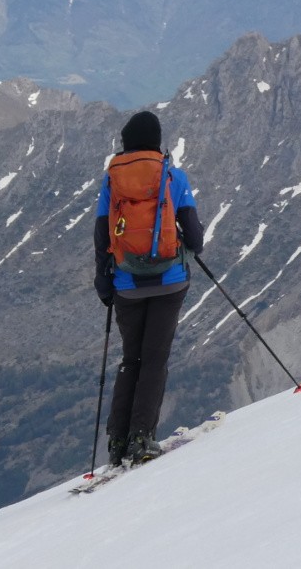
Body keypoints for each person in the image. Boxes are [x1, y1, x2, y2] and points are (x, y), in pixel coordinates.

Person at [93, 110, 204, 466]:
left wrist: (104, 279)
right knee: (155, 360)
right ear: (157, 141)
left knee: (132, 359)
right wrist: (183, 243)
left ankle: (117, 441)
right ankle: (143, 437)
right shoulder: (173, 176)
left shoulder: (112, 182)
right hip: (169, 282)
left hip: (126, 284)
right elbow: (197, 239)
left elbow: (101, 234)